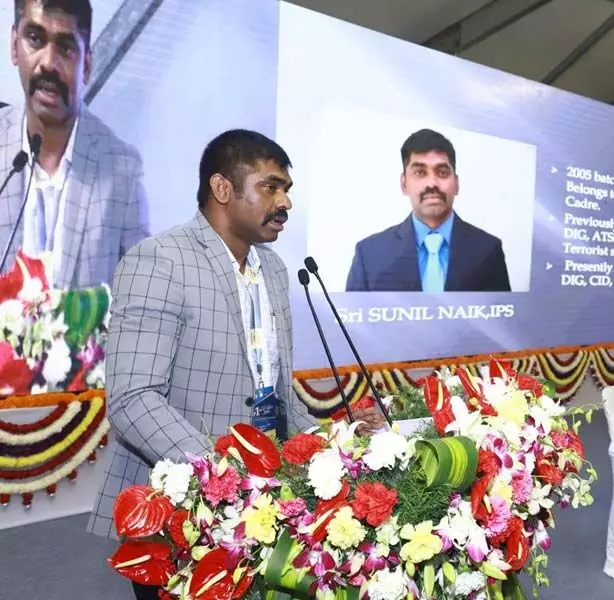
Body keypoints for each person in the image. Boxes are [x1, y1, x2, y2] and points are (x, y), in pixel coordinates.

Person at [86, 130, 385, 600]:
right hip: (183, 515)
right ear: (223, 189)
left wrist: (338, 435)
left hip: (267, 508)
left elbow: (277, 399)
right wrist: (223, 478)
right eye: (271, 187)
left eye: (287, 189)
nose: (285, 201)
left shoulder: (275, 269)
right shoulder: (160, 260)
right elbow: (133, 399)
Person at [0, 0, 149, 287]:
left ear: (87, 65)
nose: (48, 63)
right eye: (35, 39)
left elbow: (140, 297)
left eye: (66, 47)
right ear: (13, 45)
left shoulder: (122, 169)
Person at [345, 128, 511, 292]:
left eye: (442, 172)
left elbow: (502, 317)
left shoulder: (488, 251)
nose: (432, 183)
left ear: (457, 184)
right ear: (404, 184)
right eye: (419, 172)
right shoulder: (369, 255)